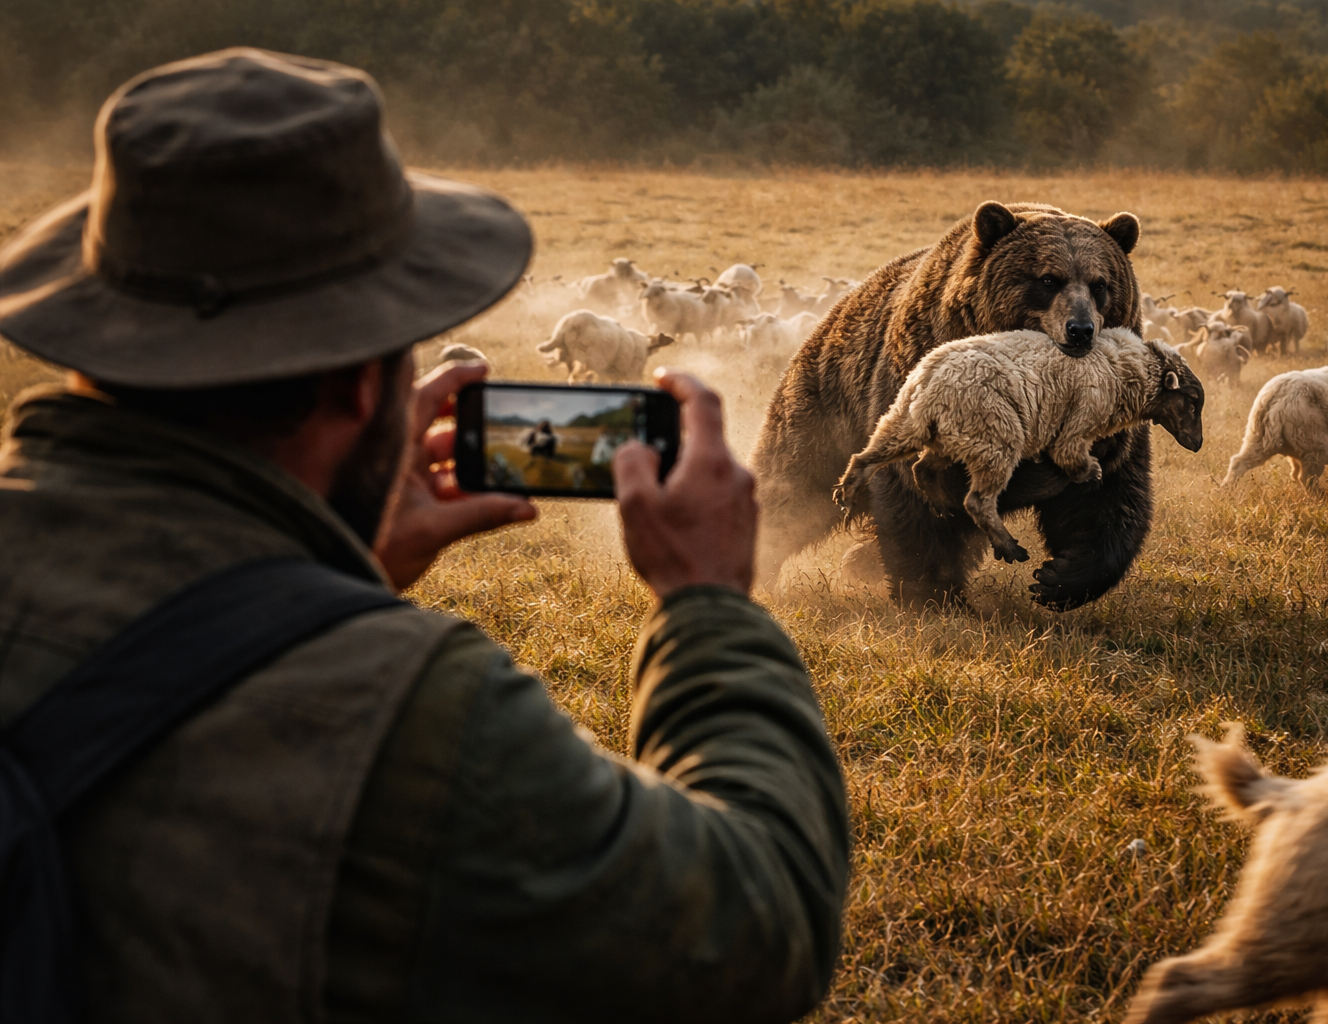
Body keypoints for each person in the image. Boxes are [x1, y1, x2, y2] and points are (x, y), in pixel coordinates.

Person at [0, 48, 848, 1023]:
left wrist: (321, 578)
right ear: (366, 386)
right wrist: (709, 607)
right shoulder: (416, 711)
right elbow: (756, 927)